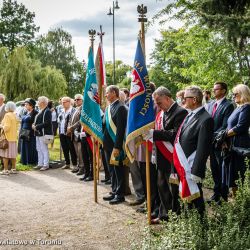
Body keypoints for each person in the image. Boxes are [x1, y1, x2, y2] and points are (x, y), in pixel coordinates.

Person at [144, 86, 188, 223]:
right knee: (161, 186)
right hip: (161, 157)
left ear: (167, 98)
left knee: (173, 189)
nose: (157, 106)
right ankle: (164, 215)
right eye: (156, 102)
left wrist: (154, 134)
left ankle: (176, 217)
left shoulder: (180, 112)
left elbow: (175, 134)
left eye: (159, 102)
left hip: (173, 157)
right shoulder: (162, 112)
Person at [173, 86, 213, 215]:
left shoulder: (206, 119)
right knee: (188, 201)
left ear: (194, 99)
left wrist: (197, 171)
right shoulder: (190, 115)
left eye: (185, 98)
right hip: (184, 165)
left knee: (196, 198)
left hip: (192, 167)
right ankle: (190, 223)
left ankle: (200, 227)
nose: (183, 101)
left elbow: (203, 147)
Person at [207, 82, 234, 203]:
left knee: (221, 169)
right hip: (210, 143)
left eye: (216, 89)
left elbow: (224, 127)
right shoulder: (211, 104)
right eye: (213, 89)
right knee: (213, 169)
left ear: (223, 91)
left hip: (220, 143)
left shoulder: (228, 105)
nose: (214, 91)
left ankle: (223, 197)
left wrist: (210, 136)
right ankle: (216, 194)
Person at [222, 84, 250, 198]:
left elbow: (241, 126)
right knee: (232, 175)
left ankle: (239, 204)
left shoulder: (247, 107)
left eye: (235, 94)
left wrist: (223, 135)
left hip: (240, 146)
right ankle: (235, 201)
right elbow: (230, 125)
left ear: (242, 93)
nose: (233, 96)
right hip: (231, 145)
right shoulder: (238, 107)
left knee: (238, 175)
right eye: (232, 94)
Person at [103, 85, 128, 205]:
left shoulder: (121, 107)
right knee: (111, 170)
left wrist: (117, 147)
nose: (105, 95)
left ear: (113, 93)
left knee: (118, 170)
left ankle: (120, 194)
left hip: (116, 145)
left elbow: (120, 130)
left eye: (107, 93)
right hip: (108, 145)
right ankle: (114, 191)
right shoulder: (109, 108)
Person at [32, 96, 53, 171]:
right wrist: (33, 125)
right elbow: (37, 120)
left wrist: (37, 126)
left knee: (44, 149)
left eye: (39, 101)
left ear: (43, 102)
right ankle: (40, 163)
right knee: (38, 149)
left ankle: (45, 164)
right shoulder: (40, 110)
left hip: (44, 133)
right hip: (38, 133)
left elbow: (47, 123)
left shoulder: (47, 111)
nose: (38, 103)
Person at [57, 96, 77, 170]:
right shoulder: (61, 111)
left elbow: (76, 121)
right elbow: (59, 121)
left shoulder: (74, 110)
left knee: (71, 149)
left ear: (69, 102)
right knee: (65, 149)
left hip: (70, 133)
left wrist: (71, 128)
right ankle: (67, 163)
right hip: (62, 132)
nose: (62, 103)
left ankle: (74, 164)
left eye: (64, 102)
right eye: (62, 102)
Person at [67, 94, 84, 174]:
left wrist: (72, 127)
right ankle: (78, 166)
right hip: (73, 134)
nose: (76, 101)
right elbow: (70, 119)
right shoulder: (75, 109)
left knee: (80, 152)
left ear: (82, 100)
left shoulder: (83, 108)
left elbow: (80, 121)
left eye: (78, 99)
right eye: (75, 99)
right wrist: (69, 127)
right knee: (76, 151)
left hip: (79, 133)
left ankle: (82, 167)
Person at [0, 102, 19, 175]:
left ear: (7, 107)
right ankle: (14, 169)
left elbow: (6, 128)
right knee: (13, 155)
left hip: (7, 138)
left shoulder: (7, 115)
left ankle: (5, 170)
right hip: (13, 138)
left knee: (5, 155)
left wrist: (1, 126)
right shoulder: (14, 115)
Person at [20, 98, 38, 165]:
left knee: (30, 147)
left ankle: (30, 161)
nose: (25, 106)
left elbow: (35, 123)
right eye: (25, 104)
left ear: (31, 105)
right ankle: (24, 161)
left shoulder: (35, 113)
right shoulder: (25, 112)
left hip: (31, 133)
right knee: (24, 146)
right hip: (24, 131)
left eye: (27, 104)